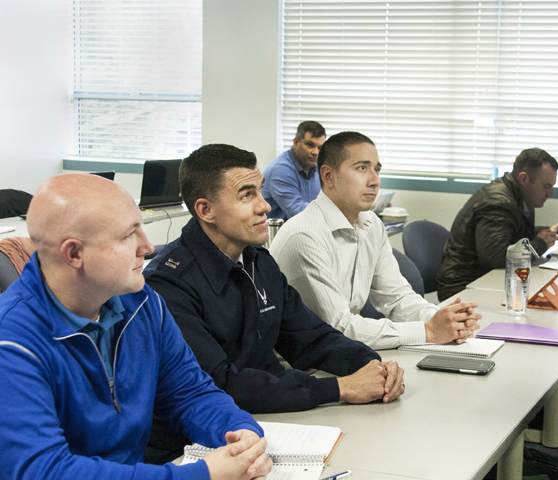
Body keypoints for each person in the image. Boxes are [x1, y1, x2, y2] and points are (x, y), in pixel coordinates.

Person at [0, 174, 271, 479]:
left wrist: (239, 432)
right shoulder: (11, 342)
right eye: (129, 235)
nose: (148, 246)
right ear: (74, 253)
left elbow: (190, 393)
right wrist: (201, 475)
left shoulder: (141, 302)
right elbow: (43, 471)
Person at [145, 143, 404, 419]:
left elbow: (312, 338)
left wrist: (372, 366)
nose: (265, 205)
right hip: (213, 431)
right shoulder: (169, 285)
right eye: (247, 195)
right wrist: (339, 388)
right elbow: (220, 384)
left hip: (275, 415)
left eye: (260, 190)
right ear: (206, 210)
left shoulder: (258, 261)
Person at [269, 131, 482, 350]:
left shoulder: (370, 223)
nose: (375, 180)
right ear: (328, 176)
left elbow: (397, 298)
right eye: (362, 168)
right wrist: (428, 330)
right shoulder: (305, 236)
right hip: (302, 368)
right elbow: (339, 328)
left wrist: (444, 319)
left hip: (341, 355)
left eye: (377, 169)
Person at [436, 148, 558, 301]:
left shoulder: (521, 195)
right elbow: (497, 256)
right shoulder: (498, 202)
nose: (551, 193)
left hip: (486, 278)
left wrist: (545, 233)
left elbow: (513, 234)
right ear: (524, 179)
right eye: (546, 186)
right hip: (463, 287)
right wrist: (540, 243)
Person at [262, 121, 326, 220]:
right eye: (310, 145)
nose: (315, 152)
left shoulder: (317, 168)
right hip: (277, 233)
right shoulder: (280, 170)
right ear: (296, 142)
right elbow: (298, 212)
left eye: (320, 148)